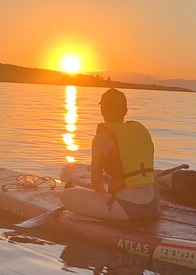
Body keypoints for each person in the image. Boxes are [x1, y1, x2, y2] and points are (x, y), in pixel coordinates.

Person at [60, 88, 159, 220]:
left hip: (126, 210)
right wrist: (156, 204)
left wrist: (106, 196)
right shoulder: (142, 131)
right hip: (152, 207)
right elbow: (153, 177)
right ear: (125, 110)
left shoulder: (100, 139)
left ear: (102, 110)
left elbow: (96, 183)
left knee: (66, 196)